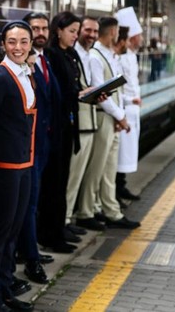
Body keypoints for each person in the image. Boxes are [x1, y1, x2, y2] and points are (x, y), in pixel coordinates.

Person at [0, 21, 36, 312]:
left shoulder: (24, 73)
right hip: (3, 168)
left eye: (24, 42)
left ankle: (5, 290)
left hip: (23, 164)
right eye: (12, 42)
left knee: (12, 232)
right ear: (3, 43)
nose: (18, 48)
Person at [75, 16, 140, 231]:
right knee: (98, 169)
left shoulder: (107, 55)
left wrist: (120, 114)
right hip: (104, 116)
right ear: (113, 32)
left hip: (111, 117)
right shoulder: (96, 56)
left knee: (107, 169)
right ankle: (95, 210)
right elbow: (100, 91)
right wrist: (120, 116)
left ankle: (102, 208)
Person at [13, 12, 58, 286]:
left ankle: (31, 250)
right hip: (24, 150)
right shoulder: (19, 67)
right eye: (35, 28)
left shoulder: (44, 59)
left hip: (41, 144)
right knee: (27, 205)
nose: (41, 33)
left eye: (44, 28)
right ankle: (30, 258)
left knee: (33, 202)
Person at [39, 11, 84, 252]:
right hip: (56, 129)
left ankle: (60, 228)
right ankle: (51, 233)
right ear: (58, 31)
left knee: (63, 179)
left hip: (68, 126)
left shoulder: (69, 55)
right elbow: (57, 93)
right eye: (72, 31)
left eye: (77, 32)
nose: (75, 36)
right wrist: (78, 95)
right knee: (54, 183)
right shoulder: (52, 56)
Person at [64, 16, 99, 235]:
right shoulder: (73, 55)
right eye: (84, 30)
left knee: (79, 175)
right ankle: (66, 218)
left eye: (93, 31)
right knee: (72, 175)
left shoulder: (82, 54)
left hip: (89, 119)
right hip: (78, 123)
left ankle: (70, 217)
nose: (89, 35)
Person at [115, 7, 143, 203]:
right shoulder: (122, 57)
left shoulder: (131, 55)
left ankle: (121, 186)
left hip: (133, 109)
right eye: (139, 35)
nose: (141, 39)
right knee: (120, 156)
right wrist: (129, 100)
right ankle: (117, 189)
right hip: (124, 109)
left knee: (127, 153)